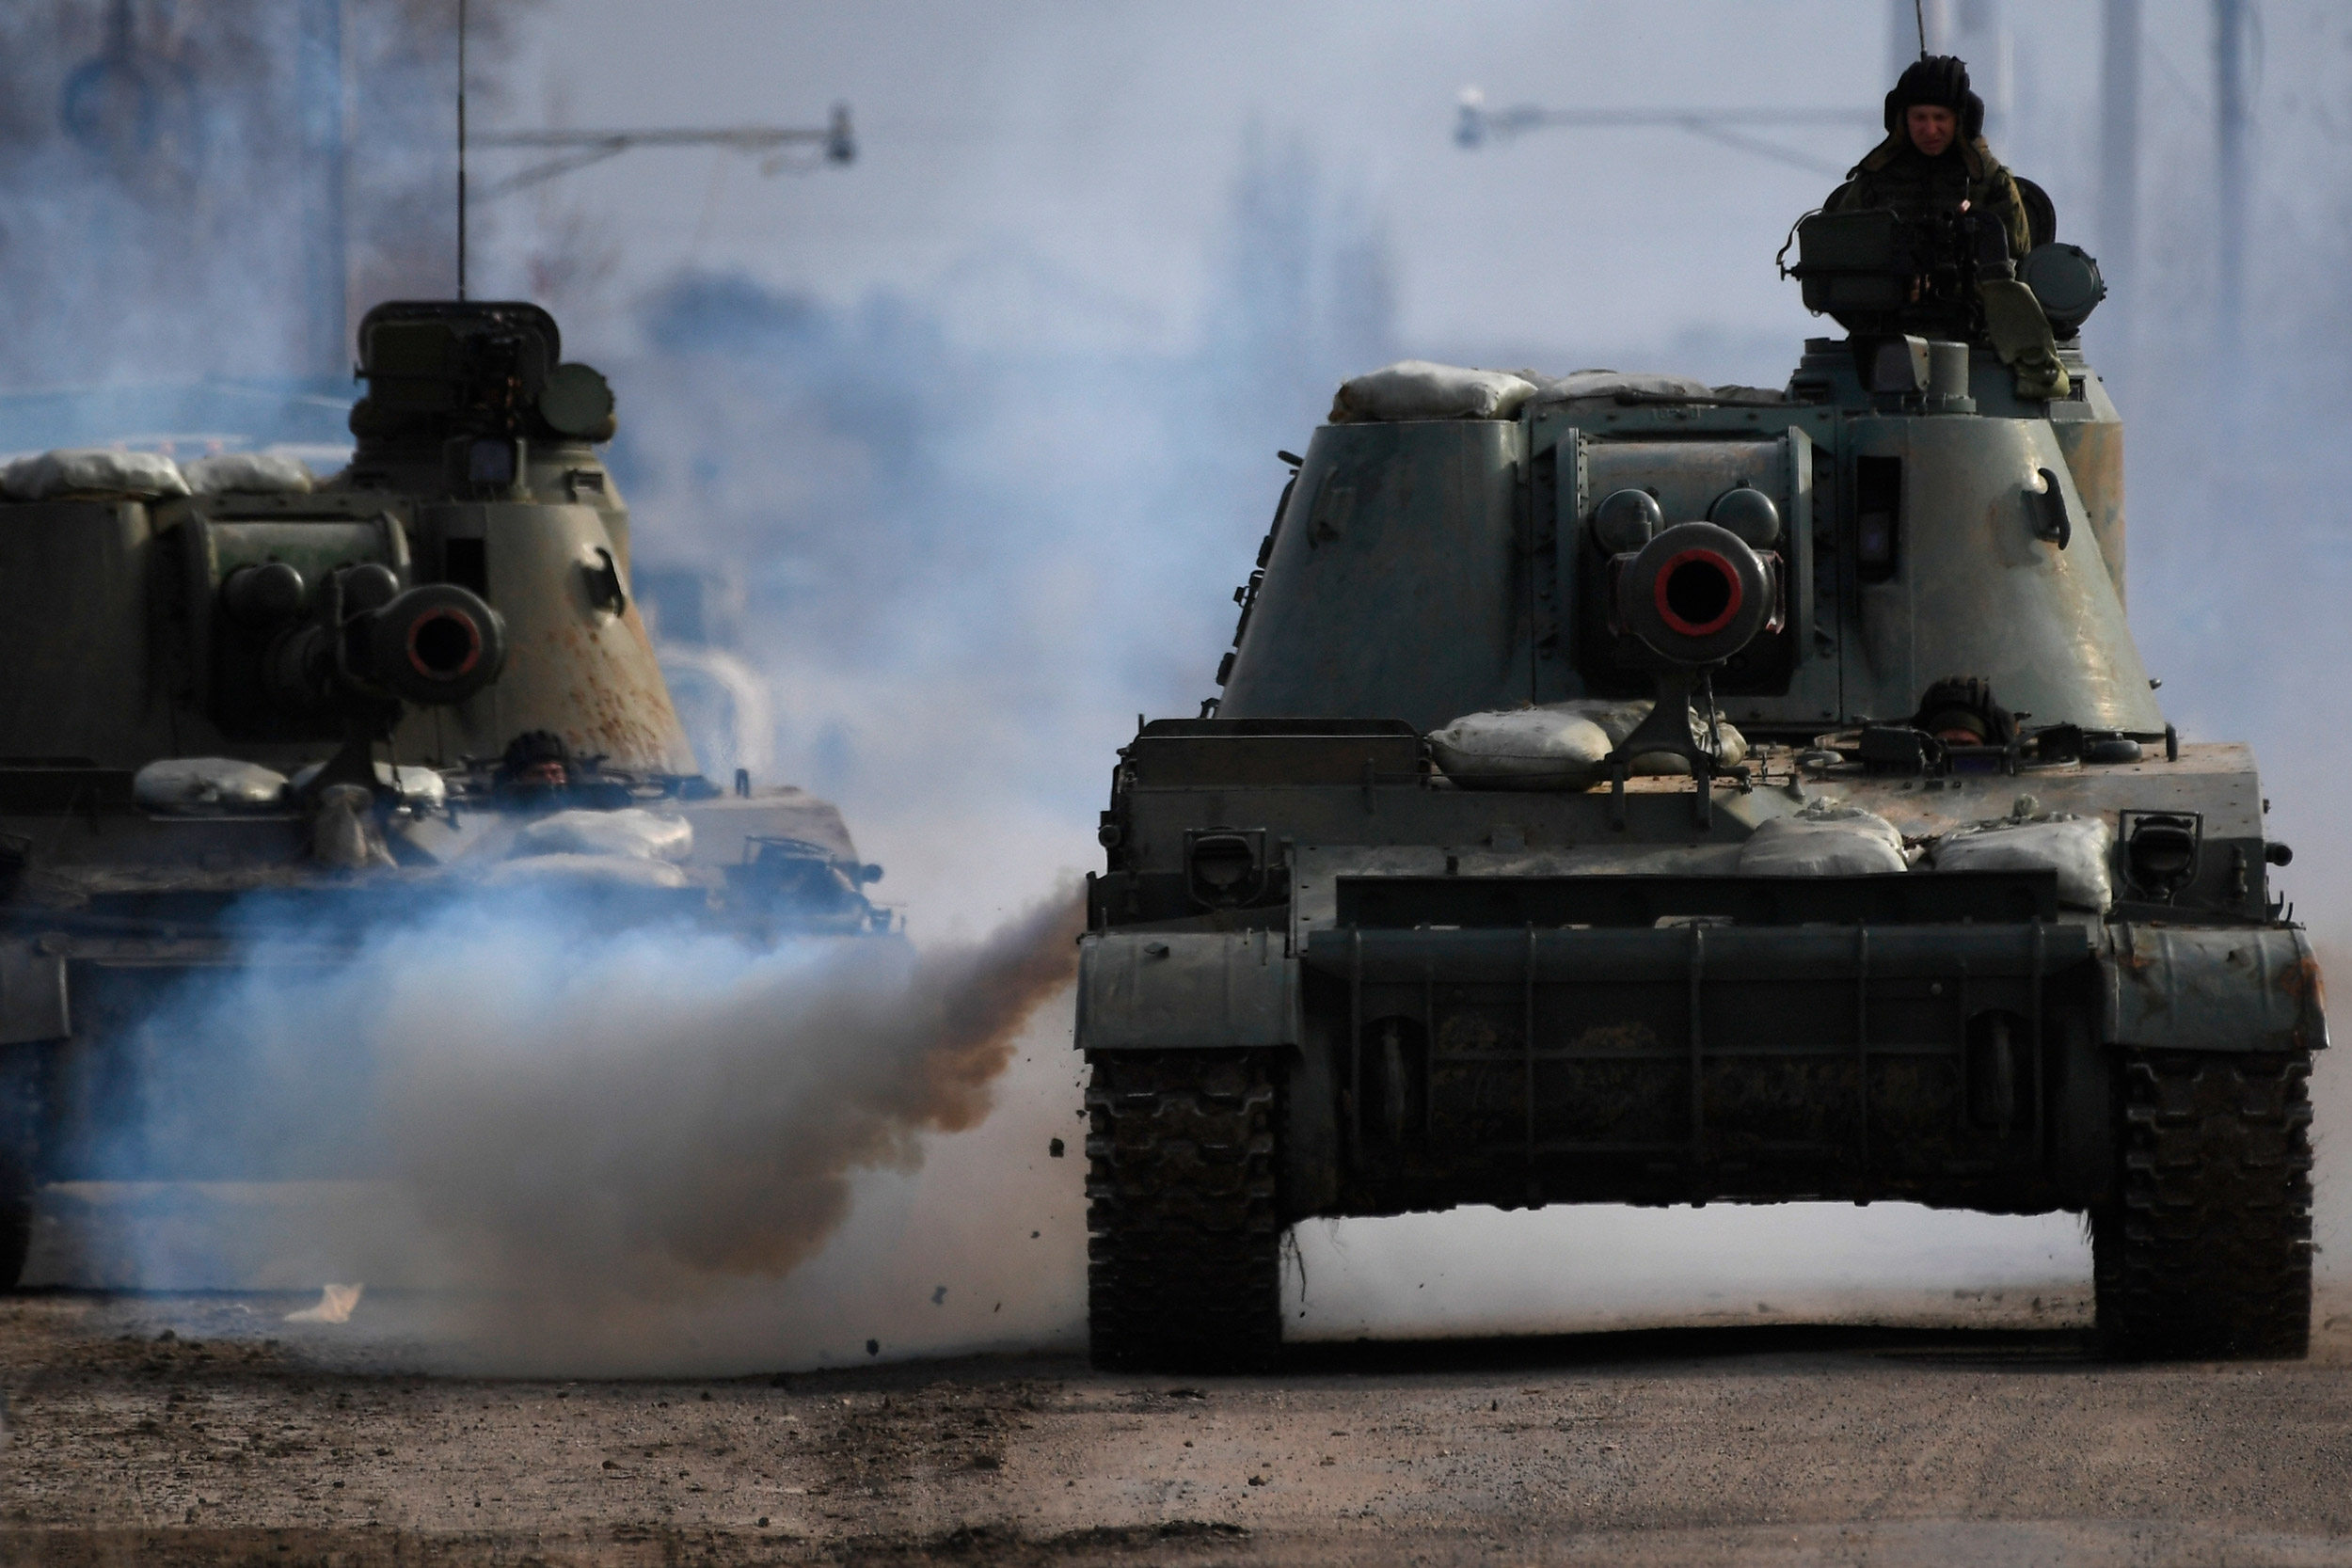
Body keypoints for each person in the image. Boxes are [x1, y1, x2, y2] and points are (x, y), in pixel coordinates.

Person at [1826, 55, 2071, 401]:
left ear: (1960, 120)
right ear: (1902, 120)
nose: (1929, 130)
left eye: (1940, 118)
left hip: (1978, 338)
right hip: (1885, 338)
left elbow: (2014, 271)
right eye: (1919, 118)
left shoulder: (1990, 184)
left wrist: (1954, 279)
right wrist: (1895, 282)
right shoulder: (1874, 183)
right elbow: (1844, 254)